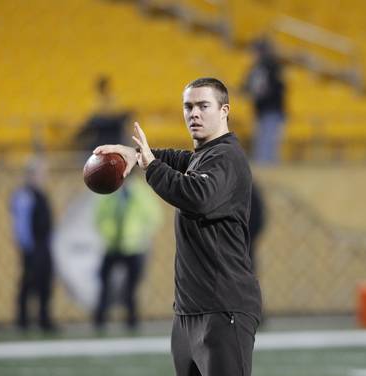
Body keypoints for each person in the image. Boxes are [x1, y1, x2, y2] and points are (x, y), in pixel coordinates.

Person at [94, 77, 262, 376]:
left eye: (203, 106)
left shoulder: (227, 157)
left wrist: (150, 167)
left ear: (224, 111)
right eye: (188, 106)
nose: (194, 113)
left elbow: (197, 197)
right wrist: (135, 154)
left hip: (222, 309)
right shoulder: (203, 156)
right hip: (189, 312)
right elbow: (179, 159)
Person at [93, 172, 163, 331]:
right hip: (113, 245)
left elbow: (154, 216)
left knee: (132, 286)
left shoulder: (140, 193)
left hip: (134, 246)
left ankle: (131, 320)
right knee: (105, 283)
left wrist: (143, 234)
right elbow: (99, 216)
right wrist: (108, 234)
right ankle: (100, 319)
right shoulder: (109, 192)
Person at [9, 157, 56, 332]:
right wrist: (27, 248)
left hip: (44, 246)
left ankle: (44, 319)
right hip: (33, 247)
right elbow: (21, 225)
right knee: (28, 284)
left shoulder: (41, 194)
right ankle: (22, 321)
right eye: (40, 173)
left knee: (45, 283)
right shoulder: (24, 195)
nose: (43, 177)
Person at [242, 37, 286, 164]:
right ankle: (266, 167)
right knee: (264, 141)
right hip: (263, 111)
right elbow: (248, 87)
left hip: (272, 110)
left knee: (267, 142)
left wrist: (253, 92)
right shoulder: (259, 69)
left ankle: (267, 167)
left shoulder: (270, 68)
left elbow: (273, 89)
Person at [76, 75, 133, 152]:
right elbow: (95, 116)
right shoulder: (96, 100)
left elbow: (117, 112)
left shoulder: (113, 98)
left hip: (114, 133)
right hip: (101, 134)